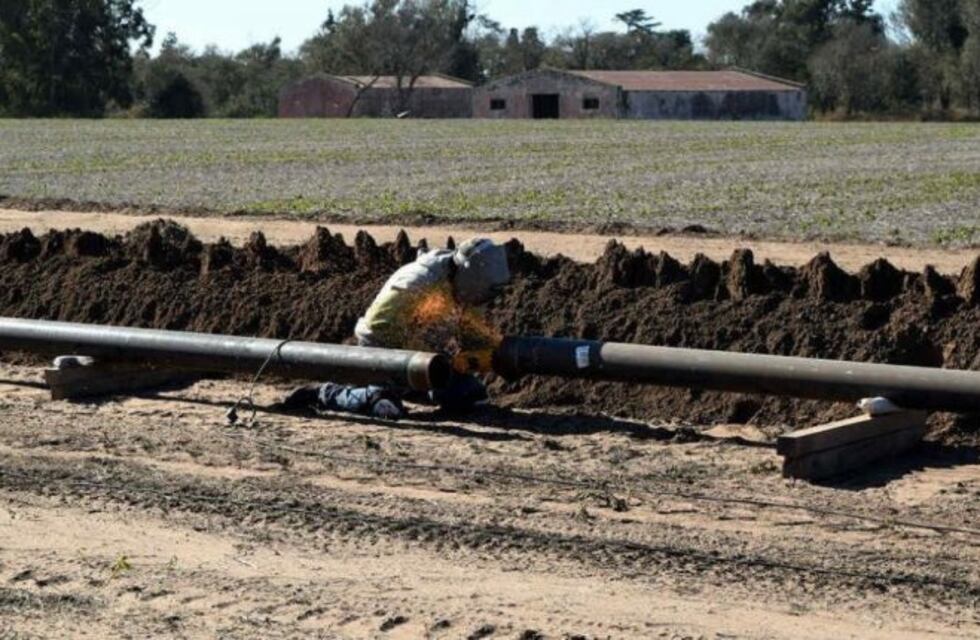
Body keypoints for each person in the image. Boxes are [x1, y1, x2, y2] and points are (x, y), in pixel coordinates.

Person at [283, 237, 511, 420]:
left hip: (426, 358)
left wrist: (492, 353)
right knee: (384, 406)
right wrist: (418, 362)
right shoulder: (418, 282)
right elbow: (378, 331)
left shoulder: (466, 289)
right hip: (382, 354)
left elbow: (470, 333)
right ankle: (326, 393)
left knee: (470, 397)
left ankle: (412, 389)